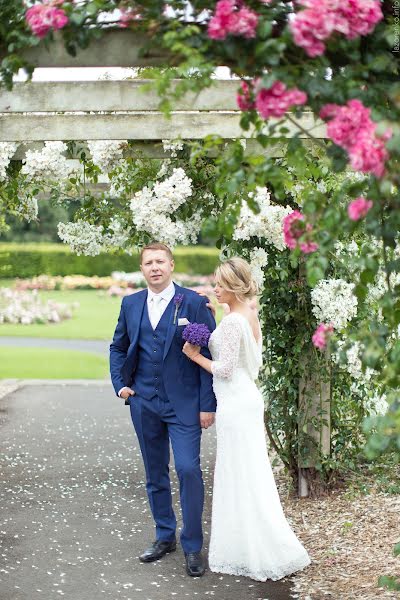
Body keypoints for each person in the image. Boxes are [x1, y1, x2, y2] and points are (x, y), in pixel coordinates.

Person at [182, 257, 311, 581]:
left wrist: (195, 355)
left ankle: (247, 547)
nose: (215, 288)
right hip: (247, 398)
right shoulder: (248, 314)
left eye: (220, 284)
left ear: (235, 287)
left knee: (238, 473)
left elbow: (224, 369)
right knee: (251, 472)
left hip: (235, 404)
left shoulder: (233, 323)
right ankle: (251, 541)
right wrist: (217, 317)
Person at [110, 242, 216, 577]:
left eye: (160, 261)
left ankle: (193, 546)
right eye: (148, 263)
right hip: (144, 402)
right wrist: (120, 384)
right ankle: (164, 536)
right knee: (155, 473)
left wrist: (207, 405)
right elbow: (119, 346)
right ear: (142, 269)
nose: (154, 267)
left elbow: (208, 356)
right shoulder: (131, 304)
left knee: (187, 470)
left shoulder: (194, 302)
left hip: (184, 404)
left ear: (171, 265)